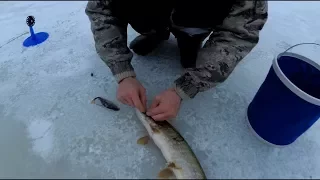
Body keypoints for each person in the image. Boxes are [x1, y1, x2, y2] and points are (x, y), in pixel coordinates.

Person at [85, 0, 268, 121]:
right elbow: (102, 11)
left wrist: (187, 87)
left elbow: (238, 35)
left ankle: (189, 39)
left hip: (196, 17)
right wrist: (122, 72)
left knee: (190, 52)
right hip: (149, 13)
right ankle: (156, 33)